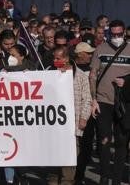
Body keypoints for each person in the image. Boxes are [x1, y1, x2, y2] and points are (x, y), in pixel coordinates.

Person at [89, 20, 130, 185]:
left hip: (125, 102)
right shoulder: (100, 49)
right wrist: (93, 99)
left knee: (121, 142)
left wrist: (126, 82)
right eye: (113, 34)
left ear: (125, 32)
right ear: (108, 33)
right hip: (103, 101)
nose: (116, 37)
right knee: (104, 141)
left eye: (119, 34)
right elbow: (92, 75)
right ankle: (104, 176)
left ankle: (117, 179)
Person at [48, 46, 91, 185]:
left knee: (69, 162)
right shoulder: (49, 73)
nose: (55, 60)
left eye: (58, 58)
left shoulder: (80, 76)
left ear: (66, 59)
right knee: (53, 162)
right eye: (54, 58)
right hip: (53, 126)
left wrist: (83, 118)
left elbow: (87, 99)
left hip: (72, 126)